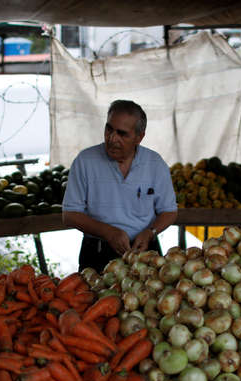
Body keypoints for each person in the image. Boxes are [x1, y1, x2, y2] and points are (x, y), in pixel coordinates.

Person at [62, 100, 178, 273]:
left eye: (122, 134)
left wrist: (150, 232)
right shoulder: (85, 161)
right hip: (97, 253)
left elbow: (169, 211)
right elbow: (69, 214)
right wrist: (108, 232)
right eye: (109, 129)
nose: (112, 138)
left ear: (139, 137)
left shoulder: (155, 163)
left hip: (145, 252)